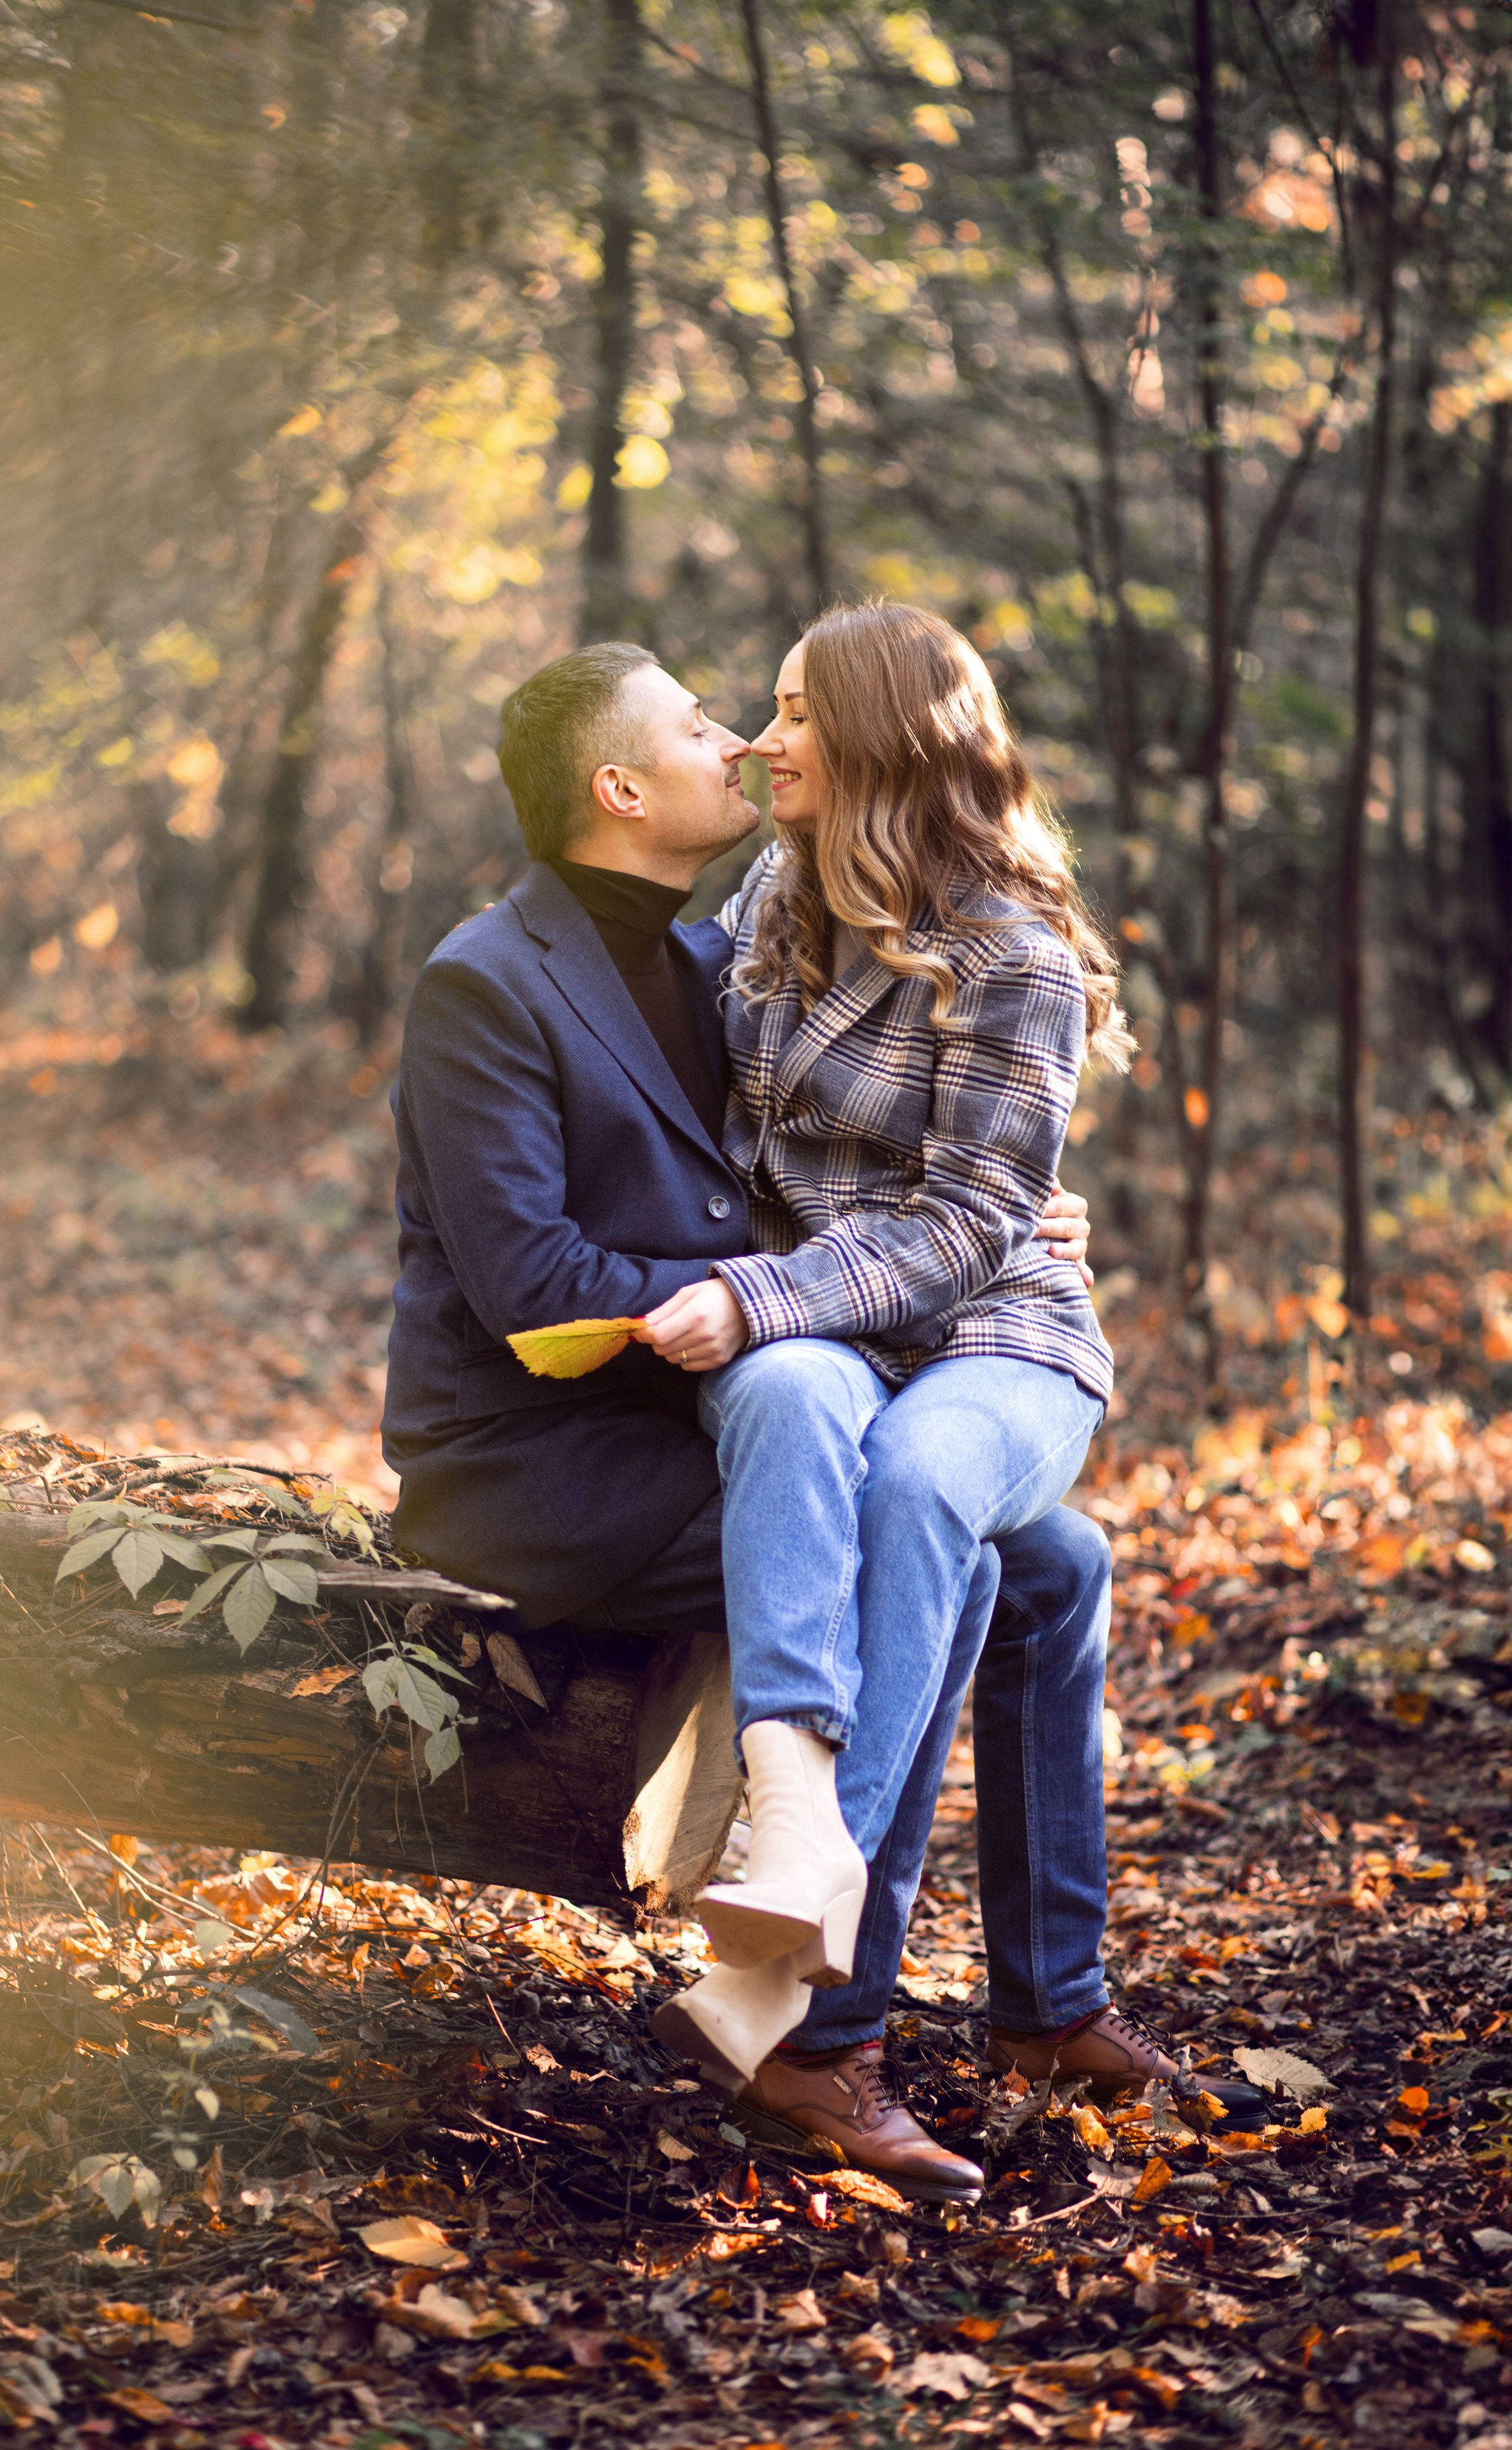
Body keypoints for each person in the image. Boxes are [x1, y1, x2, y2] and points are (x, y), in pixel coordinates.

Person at [382, 640, 1260, 2197]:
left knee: (1053, 1562)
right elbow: (537, 1286)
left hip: (755, 1390)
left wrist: (1004, 1221)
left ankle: (1039, 2001)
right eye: (709, 721)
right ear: (619, 787)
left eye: (775, 714)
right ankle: (819, 2024)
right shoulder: (507, 978)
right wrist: (786, 1283)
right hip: (554, 1451)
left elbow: (916, 1152)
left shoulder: (728, 952)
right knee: (962, 1554)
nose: (739, 742)